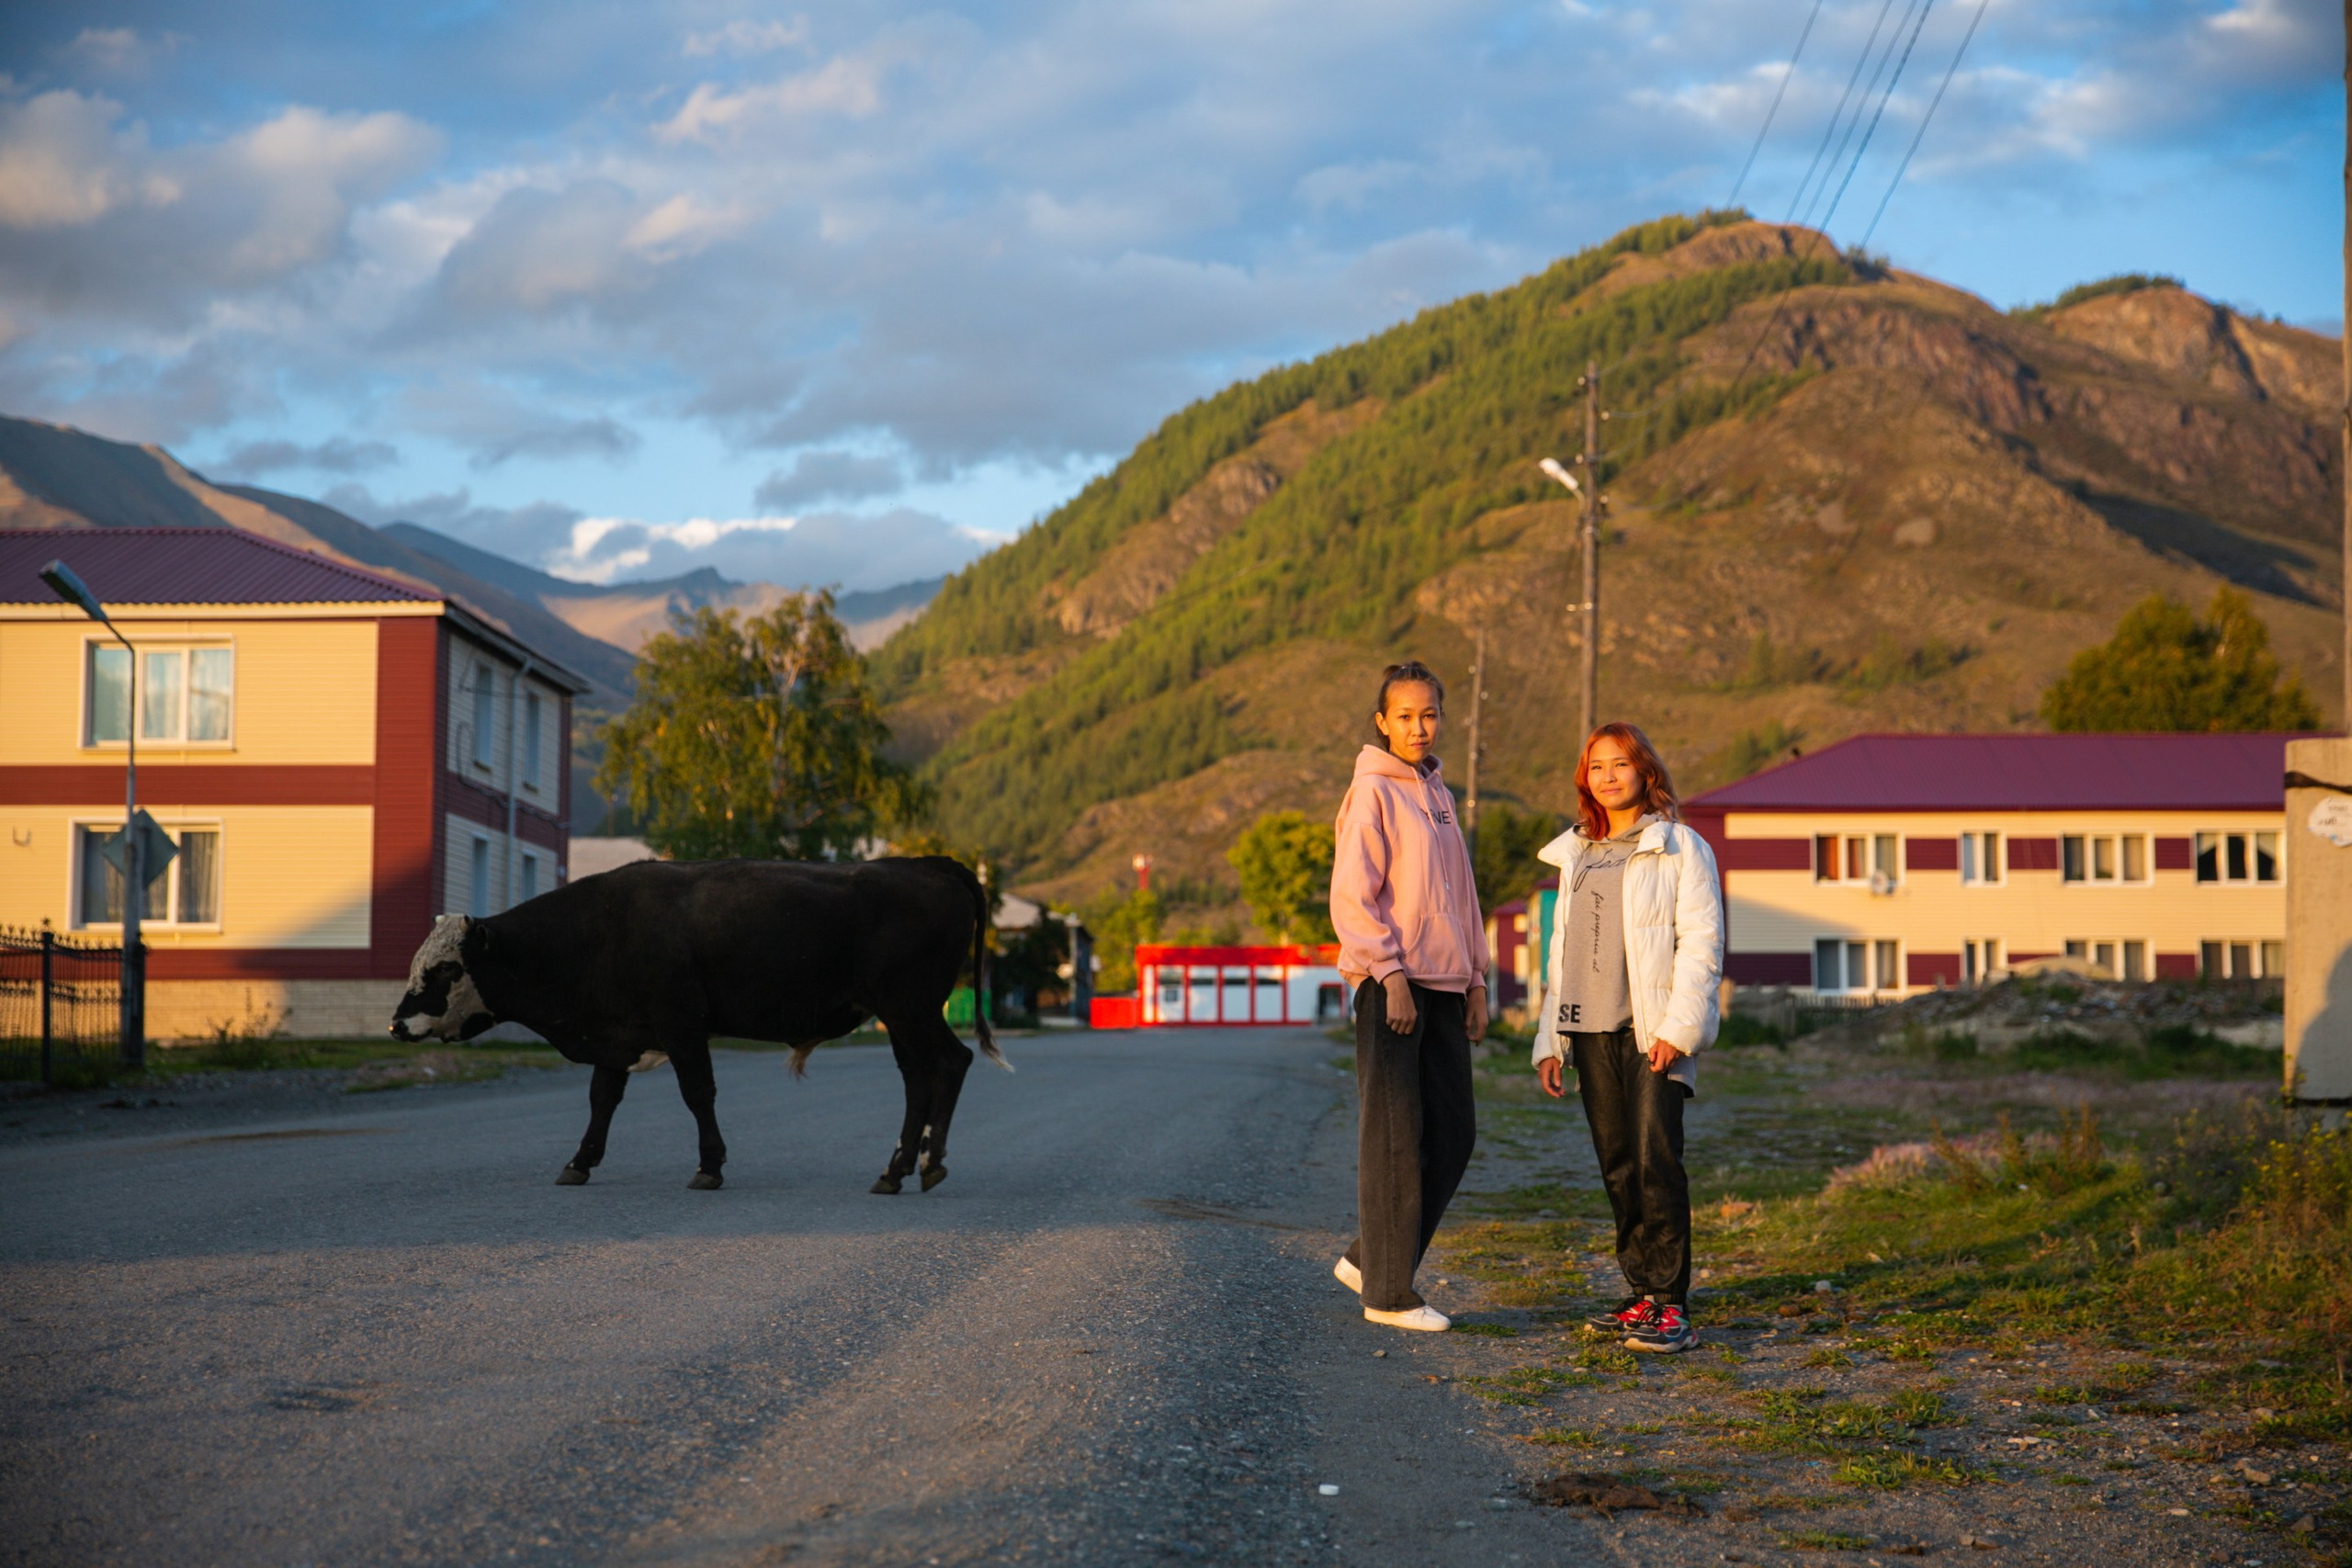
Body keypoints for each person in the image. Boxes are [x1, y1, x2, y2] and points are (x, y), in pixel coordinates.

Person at [1531, 722, 1723, 1354]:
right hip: (1586, 1026)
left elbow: (1700, 943)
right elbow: (1561, 953)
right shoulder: (1576, 853)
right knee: (1617, 1164)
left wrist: (1678, 1026)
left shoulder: (1681, 847)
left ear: (1646, 772)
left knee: (1656, 1157)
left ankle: (1671, 1304)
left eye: (1621, 763)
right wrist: (1549, 1039)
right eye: (1596, 766)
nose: (1608, 775)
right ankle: (1640, 1289)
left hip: (1650, 1031)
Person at [1328, 660, 1488, 1332]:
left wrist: (1477, 979)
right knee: (1395, 1137)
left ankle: (1372, 1258)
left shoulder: (1439, 794)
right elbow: (1352, 896)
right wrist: (1389, 974)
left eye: (1429, 714)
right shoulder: (1373, 792)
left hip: (1446, 984)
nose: (1418, 726)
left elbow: (1464, 895)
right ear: (1382, 722)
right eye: (1404, 715)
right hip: (1392, 985)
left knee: (1454, 1134)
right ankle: (1388, 1295)